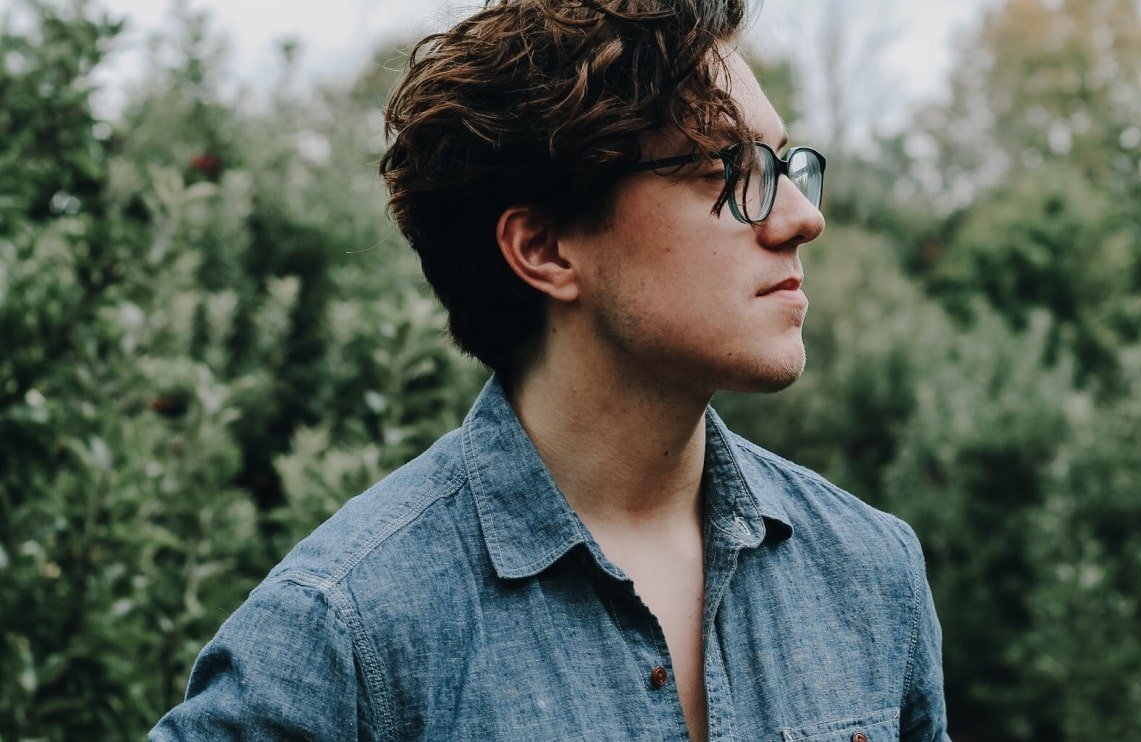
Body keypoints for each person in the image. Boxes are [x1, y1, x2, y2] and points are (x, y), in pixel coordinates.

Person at [152, 0, 949, 739]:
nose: (803, 217)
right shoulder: (346, 630)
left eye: (779, 163)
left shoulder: (871, 573)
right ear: (544, 249)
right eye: (724, 166)